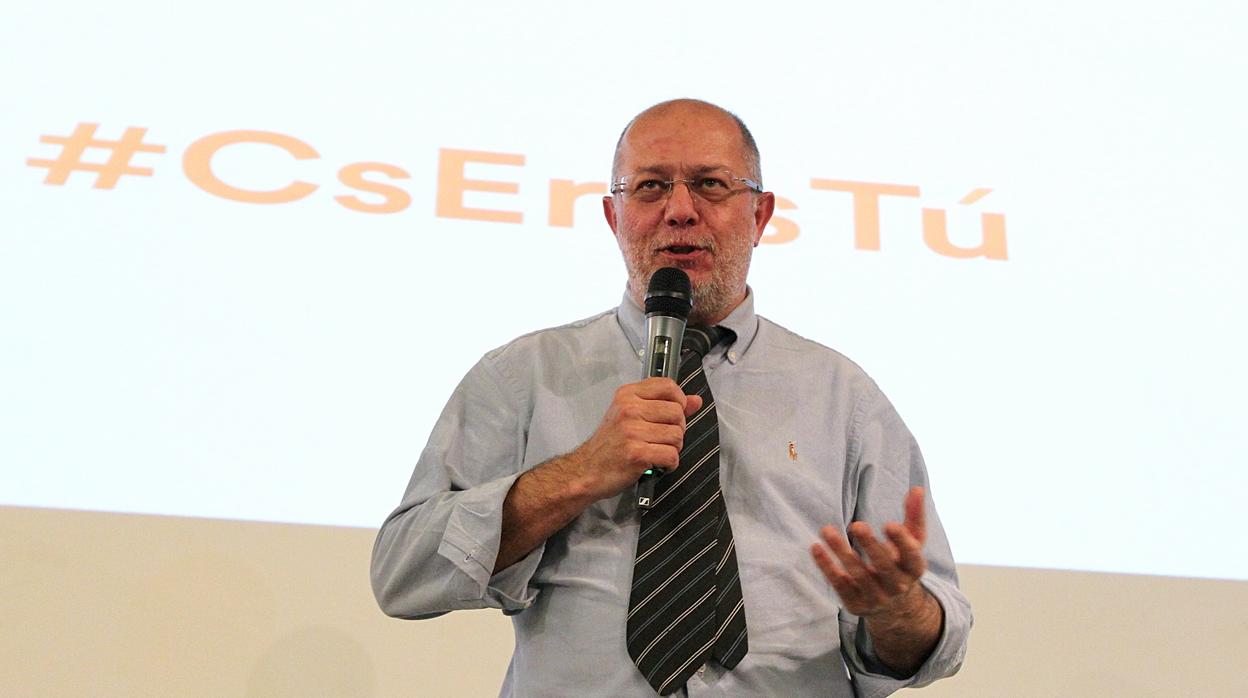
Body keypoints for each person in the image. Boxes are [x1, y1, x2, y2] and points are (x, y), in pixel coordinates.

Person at [371, 99, 971, 696]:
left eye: (711, 185)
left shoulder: (845, 400)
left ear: (761, 216)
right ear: (615, 217)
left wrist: (897, 609)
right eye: (651, 187)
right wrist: (579, 473)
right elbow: (403, 574)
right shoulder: (523, 376)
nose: (680, 211)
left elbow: (935, 643)